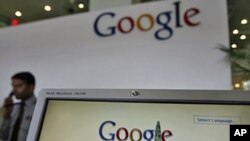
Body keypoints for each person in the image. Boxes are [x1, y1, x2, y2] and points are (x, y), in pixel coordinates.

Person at [0, 72, 36, 141]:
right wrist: (6, 116)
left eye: (18, 86)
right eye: (13, 86)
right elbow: (3, 136)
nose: (14, 90)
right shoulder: (13, 108)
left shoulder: (39, 108)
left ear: (31, 87)